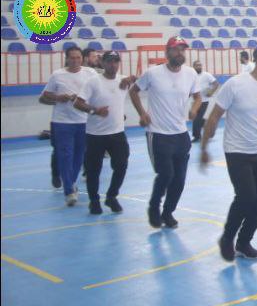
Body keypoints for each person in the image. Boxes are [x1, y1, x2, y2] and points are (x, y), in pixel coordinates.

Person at [200, 43, 257, 261]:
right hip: (237, 151)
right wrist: (204, 147)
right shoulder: (235, 84)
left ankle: (244, 241)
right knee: (246, 197)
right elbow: (214, 115)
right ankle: (227, 238)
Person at [129, 36, 202, 229]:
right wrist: (142, 113)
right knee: (166, 175)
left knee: (179, 179)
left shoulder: (190, 74)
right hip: (158, 134)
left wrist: (194, 109)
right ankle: (154, 207)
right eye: (176, 49)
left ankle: (168, 212)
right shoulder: (153, 73)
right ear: (167, 52)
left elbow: (198, 97)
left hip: (181, 133)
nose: (180, 53)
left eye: (182, 49)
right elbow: (133, 91)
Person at [73, 50, 130, 215]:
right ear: (103, 63)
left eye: (116, 61)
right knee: (93, 170)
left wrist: (133, 78)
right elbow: (78, 103)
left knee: (121, 165)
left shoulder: (123, 80)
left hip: (117, 133)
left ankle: (111, 196)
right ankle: (94, 201)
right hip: (95, 134)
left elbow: (139, 84)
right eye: (109, 61)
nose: (113, 65)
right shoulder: (93, 82)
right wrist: (95, 110)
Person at [40, 45, 97, 206]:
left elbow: (97, 90)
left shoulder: (90, 73)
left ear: (82, 58)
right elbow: (45, 94)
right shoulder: (57, 75)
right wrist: (59, 97)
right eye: (72, 58)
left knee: (79, 156)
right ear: (66, 59)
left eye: (78, 57)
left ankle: (70, 182)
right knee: (65, 155)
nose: (75, 60)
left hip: (83, 121)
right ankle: (69, 191)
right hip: (62, 122)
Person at [190, 60, 220, 142]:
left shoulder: (207, 75)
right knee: (197, 119)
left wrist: (211, 92)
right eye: (197, 65)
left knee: (197, 118)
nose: (199, 66)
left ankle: (197, 136)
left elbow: (216, 84)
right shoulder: (192, 75)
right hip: (195, 100)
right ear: (193, 66)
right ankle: (208, 127)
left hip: (204, 101)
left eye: (200, 65)